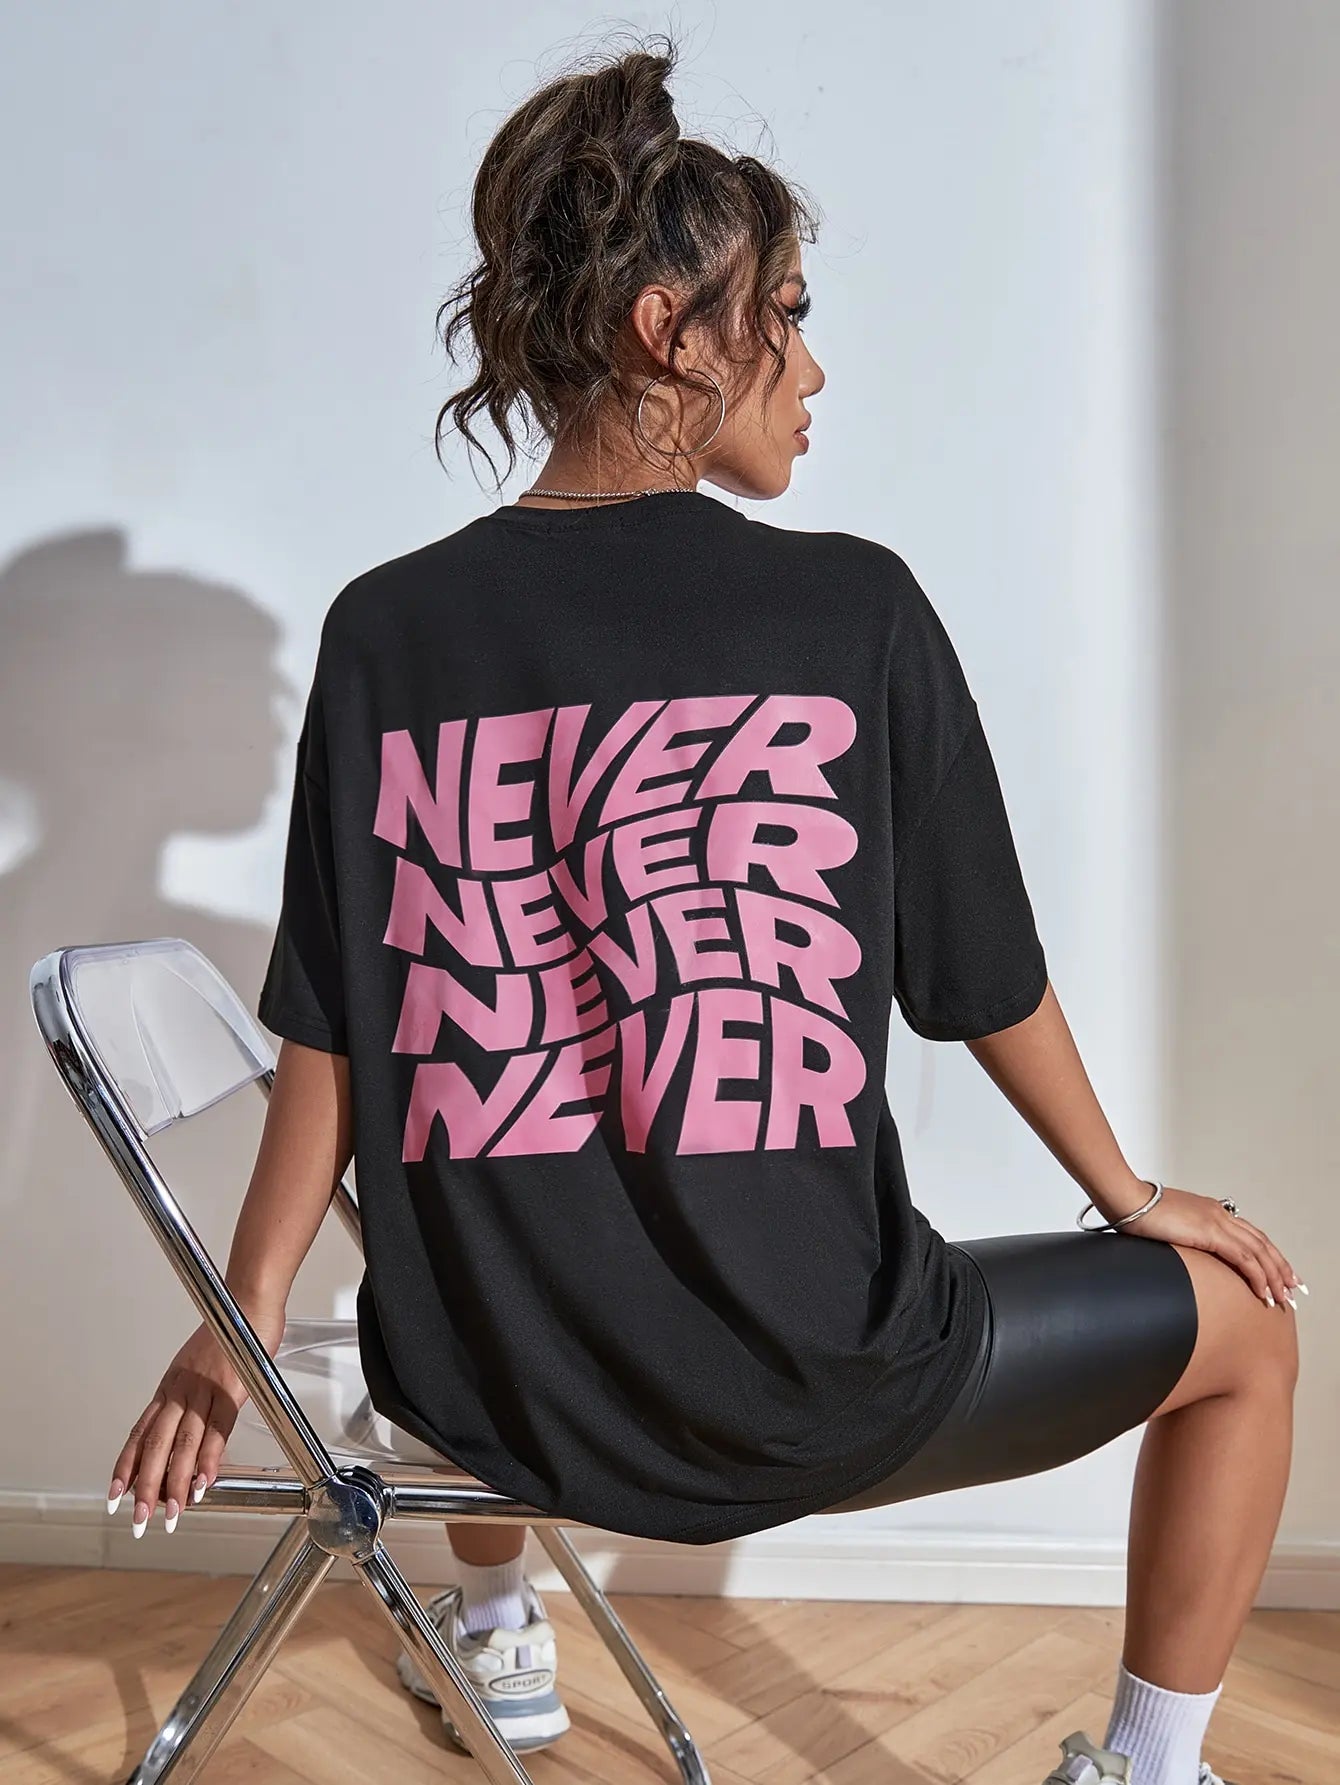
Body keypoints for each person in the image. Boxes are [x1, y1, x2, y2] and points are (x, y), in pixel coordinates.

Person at [105, 35, 1303, 1785]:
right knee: (1251, 1329)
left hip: (494, 1405)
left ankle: (497, 1621)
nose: (812, 368)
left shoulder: (385, 634)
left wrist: (243, 1320)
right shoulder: (857, 613)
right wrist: (1130, 1196)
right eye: (787, 318)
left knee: (491, 1209)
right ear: (671, 331)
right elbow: (981, 980)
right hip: (821, 1388)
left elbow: (336, 1032)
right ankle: (1151, 1767)